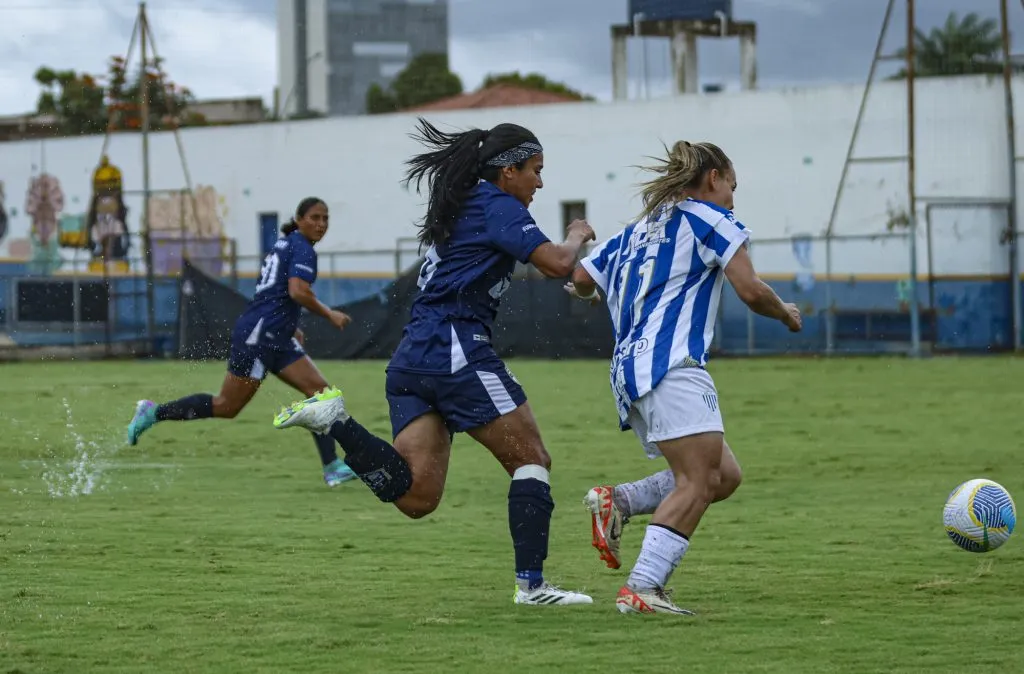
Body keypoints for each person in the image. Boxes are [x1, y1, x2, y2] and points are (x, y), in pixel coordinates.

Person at [273, 118, 596, 606]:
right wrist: (577, 235)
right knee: (532, 459)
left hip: (412, 359)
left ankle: (336, 421)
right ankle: (532, 587)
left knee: (417, 498)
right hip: (455, 348)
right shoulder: (496, 203)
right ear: (508, 171)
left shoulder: (465, 205)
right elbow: (555, 262)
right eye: (535, 169)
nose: (540, 182)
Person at [565, 140, 802, 615]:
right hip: (672, 364)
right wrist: (785, 313)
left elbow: (582, 280)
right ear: (713, 178)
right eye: (732, 185)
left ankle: (620, 501)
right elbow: (751, 291)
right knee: (698, 481)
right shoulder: (711, 219)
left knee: (723, 475)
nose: (734, 197)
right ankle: (643, 588)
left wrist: (597, 288)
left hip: (629, 370)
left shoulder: (635, 230)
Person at [126, 197, 359, 488]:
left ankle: (332, 466)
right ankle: (153, 412)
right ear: (299, 219)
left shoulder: (287, 244)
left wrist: (291, 325)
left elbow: (273, 292)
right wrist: (330, 315)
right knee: (227, 406)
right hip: (259, 338)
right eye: (315, 217)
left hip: (277, 335)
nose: (321, 224)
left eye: (325, 218)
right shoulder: (302, 249)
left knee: (322, 394)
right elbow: (297, 291)